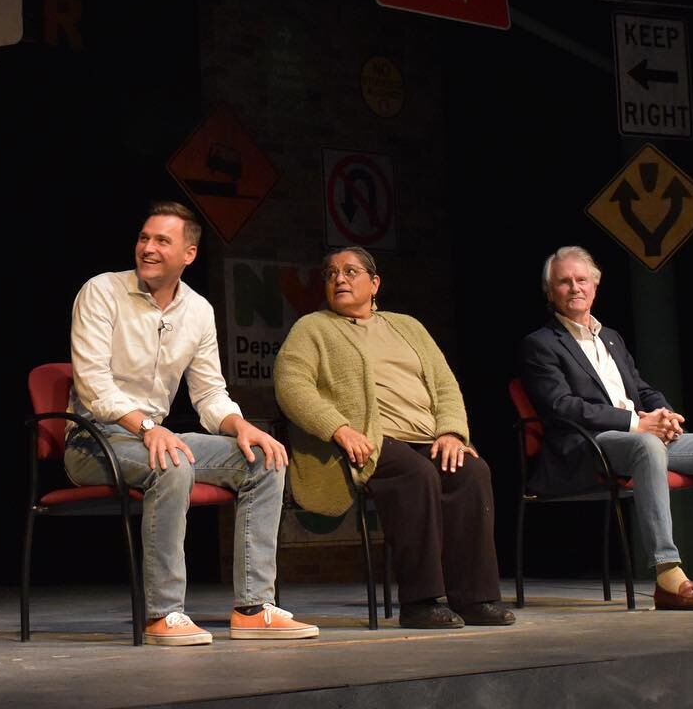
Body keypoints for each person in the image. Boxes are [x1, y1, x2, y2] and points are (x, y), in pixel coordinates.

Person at [65, 202, 319, 646]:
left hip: (152, 435)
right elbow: (93, 387)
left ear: (189, 254)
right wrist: (146, 427)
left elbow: (208, 394)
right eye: (144, 238)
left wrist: (240, 425)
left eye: (162, 241)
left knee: (264, 460)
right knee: (172, 464)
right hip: (93, 439)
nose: (148, 248)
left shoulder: (198, 311)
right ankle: (163, 613)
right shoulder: (101, 292)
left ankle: (253, 607)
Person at [518, 245, 693, 610]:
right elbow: (561, 406)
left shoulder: (611, 337)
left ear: (595, 287)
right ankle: (667, 573)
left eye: (581, 280)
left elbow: (641, 389)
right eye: (564, 282)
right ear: (550, 292)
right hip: (590, 446)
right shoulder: (540, 344)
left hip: (643, 435)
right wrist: (637, 423)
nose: (574, 288)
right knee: (647, 446)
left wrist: (664, 413)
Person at [275, 247, 514, 630]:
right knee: (416, 474)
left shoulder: (408, 326)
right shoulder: (312, 328)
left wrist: (452, 431)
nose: (339, 279)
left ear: (375, 283)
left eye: (351, 271)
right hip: (368, 440)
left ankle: (474, 598)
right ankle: (421, 602)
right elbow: (291, 385)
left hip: (427, 436)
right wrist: (339, 427)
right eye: (331, 273)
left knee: (472, 471)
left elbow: (445, 384)